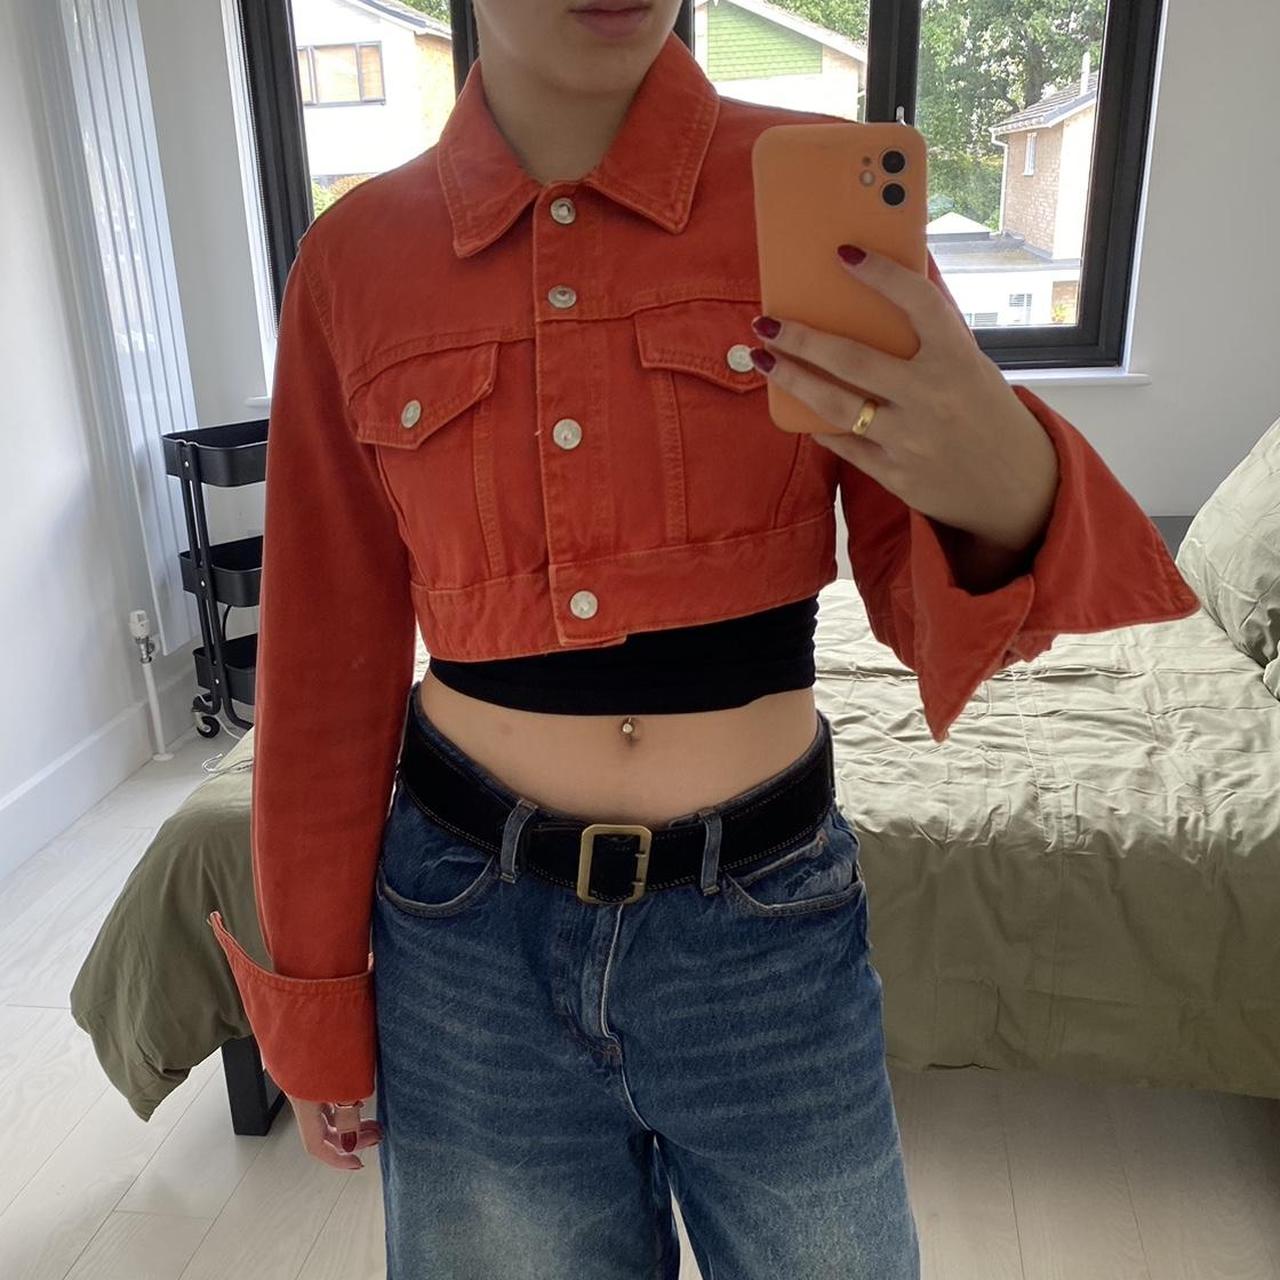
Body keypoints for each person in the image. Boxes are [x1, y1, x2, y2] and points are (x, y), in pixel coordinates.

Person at [206, 2, 1201, 1276]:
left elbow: (925, 615)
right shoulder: (355, 261)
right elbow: (321, 664)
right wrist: (314, 997)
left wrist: (1007, 477)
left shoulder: (816, 209)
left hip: (765, 925)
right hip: (462, 944)